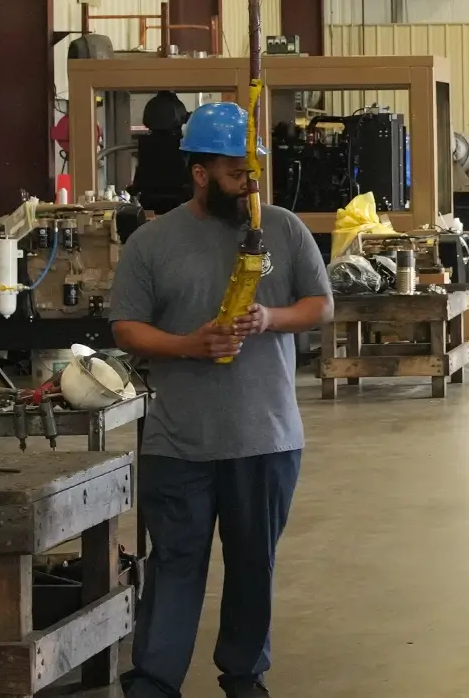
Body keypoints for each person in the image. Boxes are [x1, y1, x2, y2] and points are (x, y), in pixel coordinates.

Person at [110, 102, 334, 697]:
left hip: (264, 437)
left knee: (252, 568)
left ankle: (243, 674)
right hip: (179, 442)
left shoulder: (283, 229)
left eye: (252, 172)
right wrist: (188, 344)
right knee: (176, 565)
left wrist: (269, 318)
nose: (248, 184)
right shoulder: (152, 243)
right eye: (235, 173)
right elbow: (127, 328)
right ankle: (154, 680)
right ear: (200, 172)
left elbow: (321, 304)